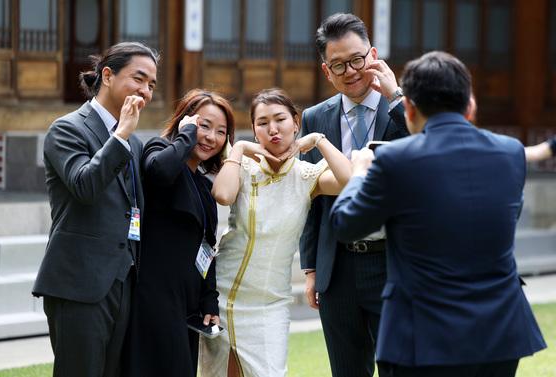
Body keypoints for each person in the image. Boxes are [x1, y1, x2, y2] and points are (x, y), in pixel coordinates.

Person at [330, 51, 547, 377]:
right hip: (498, 331)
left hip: (422, 334)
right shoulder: (510, 153)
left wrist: (359, 171)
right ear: (470, 106)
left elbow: (345, 224)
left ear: (410, 108)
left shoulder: (395, 161)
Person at [199, 88, 352, 377]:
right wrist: (240, 149)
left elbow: (349, 180)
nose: (273, 129)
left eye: (280, 119)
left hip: (270, 304)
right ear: (255, 129)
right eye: (263, 122)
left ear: (296, 122)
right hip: (223, 295)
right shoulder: (241, 165)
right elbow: (222, 194)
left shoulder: (307, 175)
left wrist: (319, 139)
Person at [32, 42, 158, 377]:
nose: (145, 91)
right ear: (107, 74)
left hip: (124, 281)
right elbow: (84, 186)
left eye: (151, 85)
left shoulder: (134, 143)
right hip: (78, 284)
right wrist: (120, 135)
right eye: (139, 79)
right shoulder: (67, 129)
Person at [299, 13, 409, 377]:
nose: (351, 71)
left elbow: (428, 153)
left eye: (358, 59)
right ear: (326, 71)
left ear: (374, 55)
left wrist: (396, 95)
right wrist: (311, 267)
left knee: (402, 367)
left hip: (393, 264)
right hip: (339, 267)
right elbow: (309, 193)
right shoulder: (315, 118)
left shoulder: (404, 110)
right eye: (338, 65)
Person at [122, 89, 235, 377]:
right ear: (185, 121)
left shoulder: (205, 188)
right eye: (204, 125)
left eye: (221, 132)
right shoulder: (158, 150)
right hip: (154, 295)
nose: (211, 137)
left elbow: (207, 248)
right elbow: (159, 172)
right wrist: (186, 136)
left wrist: (209, 300)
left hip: (187, 303)